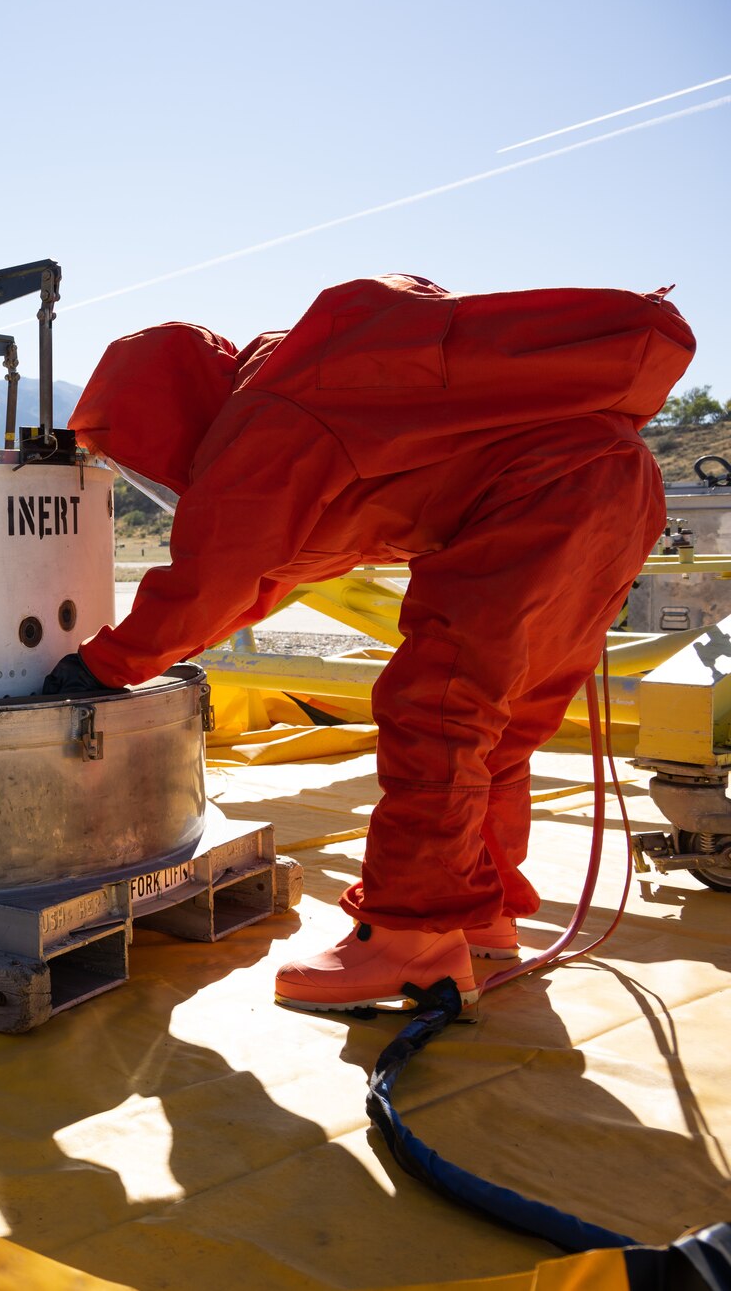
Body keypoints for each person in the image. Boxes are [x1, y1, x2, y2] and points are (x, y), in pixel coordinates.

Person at [47, 274, 694, 1011]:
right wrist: (145, 648)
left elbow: (216, 570)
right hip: (619, 487)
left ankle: (409, 942)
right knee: (500, 724)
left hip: (541, 495)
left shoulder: (269, 418)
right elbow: (262, 577)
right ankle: (480, 914)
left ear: (157, 412)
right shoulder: (313, 387)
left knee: (436, 708)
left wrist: (103, 663)